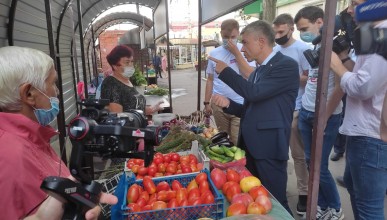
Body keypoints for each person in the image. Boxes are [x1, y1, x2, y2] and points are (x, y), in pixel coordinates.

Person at [0, 46, 117, 219]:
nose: (57, 91)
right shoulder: (12, 156)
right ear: (29, 93)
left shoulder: (30, 139)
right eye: (52, 83)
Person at [209, 20, 299, 215]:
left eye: (245, 42)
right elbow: (252, 107)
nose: (241, 49)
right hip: (251, 145)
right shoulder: (261, 69)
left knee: (276, 201)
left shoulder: (286, 65)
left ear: (261, 41)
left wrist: (225, 71)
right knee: (256, 198)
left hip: (269, 146)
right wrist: (229, 105)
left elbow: (254, 93)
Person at [330, 0, 387, 218]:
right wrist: (344, 58)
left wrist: (335, 65)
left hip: (370, 136)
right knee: (357, 194)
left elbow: (363, 87)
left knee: (369, 208)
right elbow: (366, 76)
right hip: (363, 132)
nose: (350, 10)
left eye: (356, 3)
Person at [295, 6, 345, 220]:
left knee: (320, 167)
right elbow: (313, 80)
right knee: (310, 163)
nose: (301, 33)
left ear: (320, 22)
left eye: (304, 28)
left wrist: (324, 116)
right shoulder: (316, 46)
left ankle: (336, 208)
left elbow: (342, 85)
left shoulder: (338, 48)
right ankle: (322, 206)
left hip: (326, 117)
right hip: (307, 112)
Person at [272, 13, 311, 216]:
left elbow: (310, 77)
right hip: (277, 109)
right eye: (275, 31)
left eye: (281, 31)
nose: (277, 35)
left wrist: (288, 78)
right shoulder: (275, 50)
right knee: (278, 152)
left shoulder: (304, 49)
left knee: (298, 155)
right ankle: (280, 188)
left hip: (296, 108)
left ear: (291, 28)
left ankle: (304, 193)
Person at [203, 19, 255, 145]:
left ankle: (237, 165)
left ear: (238, 35)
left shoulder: (245, 51)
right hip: (219, 106)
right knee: (222, 140)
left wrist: (236, 53)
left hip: (240, 104)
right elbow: (210, 79)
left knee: (237, 142)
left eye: (233, 37)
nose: (229, 40)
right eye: (226, 37)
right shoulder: (215, 53)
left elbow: (250, 75)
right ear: (221, 34)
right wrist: (206, 103)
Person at [100, 45, 162, 115]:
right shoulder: (111, 83)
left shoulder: (127, 80)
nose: (131, 65)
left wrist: (150, 110)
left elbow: (133, 107)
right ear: (115, 66)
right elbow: (118, 118)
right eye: (127, 62)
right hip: (129, 126)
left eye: (132, 61)